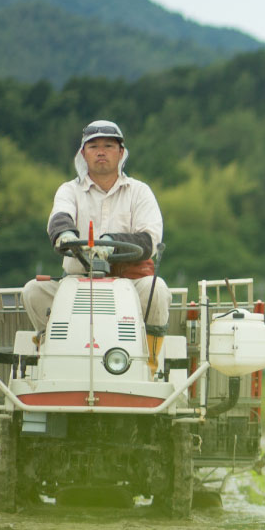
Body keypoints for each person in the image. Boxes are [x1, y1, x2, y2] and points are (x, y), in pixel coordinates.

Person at [21, 119, 170, 367]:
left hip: (129, 283)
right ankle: (52, 353)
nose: (101, 151)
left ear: (121, 152)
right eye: (94, 146)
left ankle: (149, 362)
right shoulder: (69, 190)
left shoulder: (139, 192)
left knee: (158, 290)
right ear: (83, 153)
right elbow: (59, 218)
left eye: (109, 145)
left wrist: (112, 243)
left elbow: (149, 239)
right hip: (77, 283)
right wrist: (65, 235)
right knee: (32, 291)